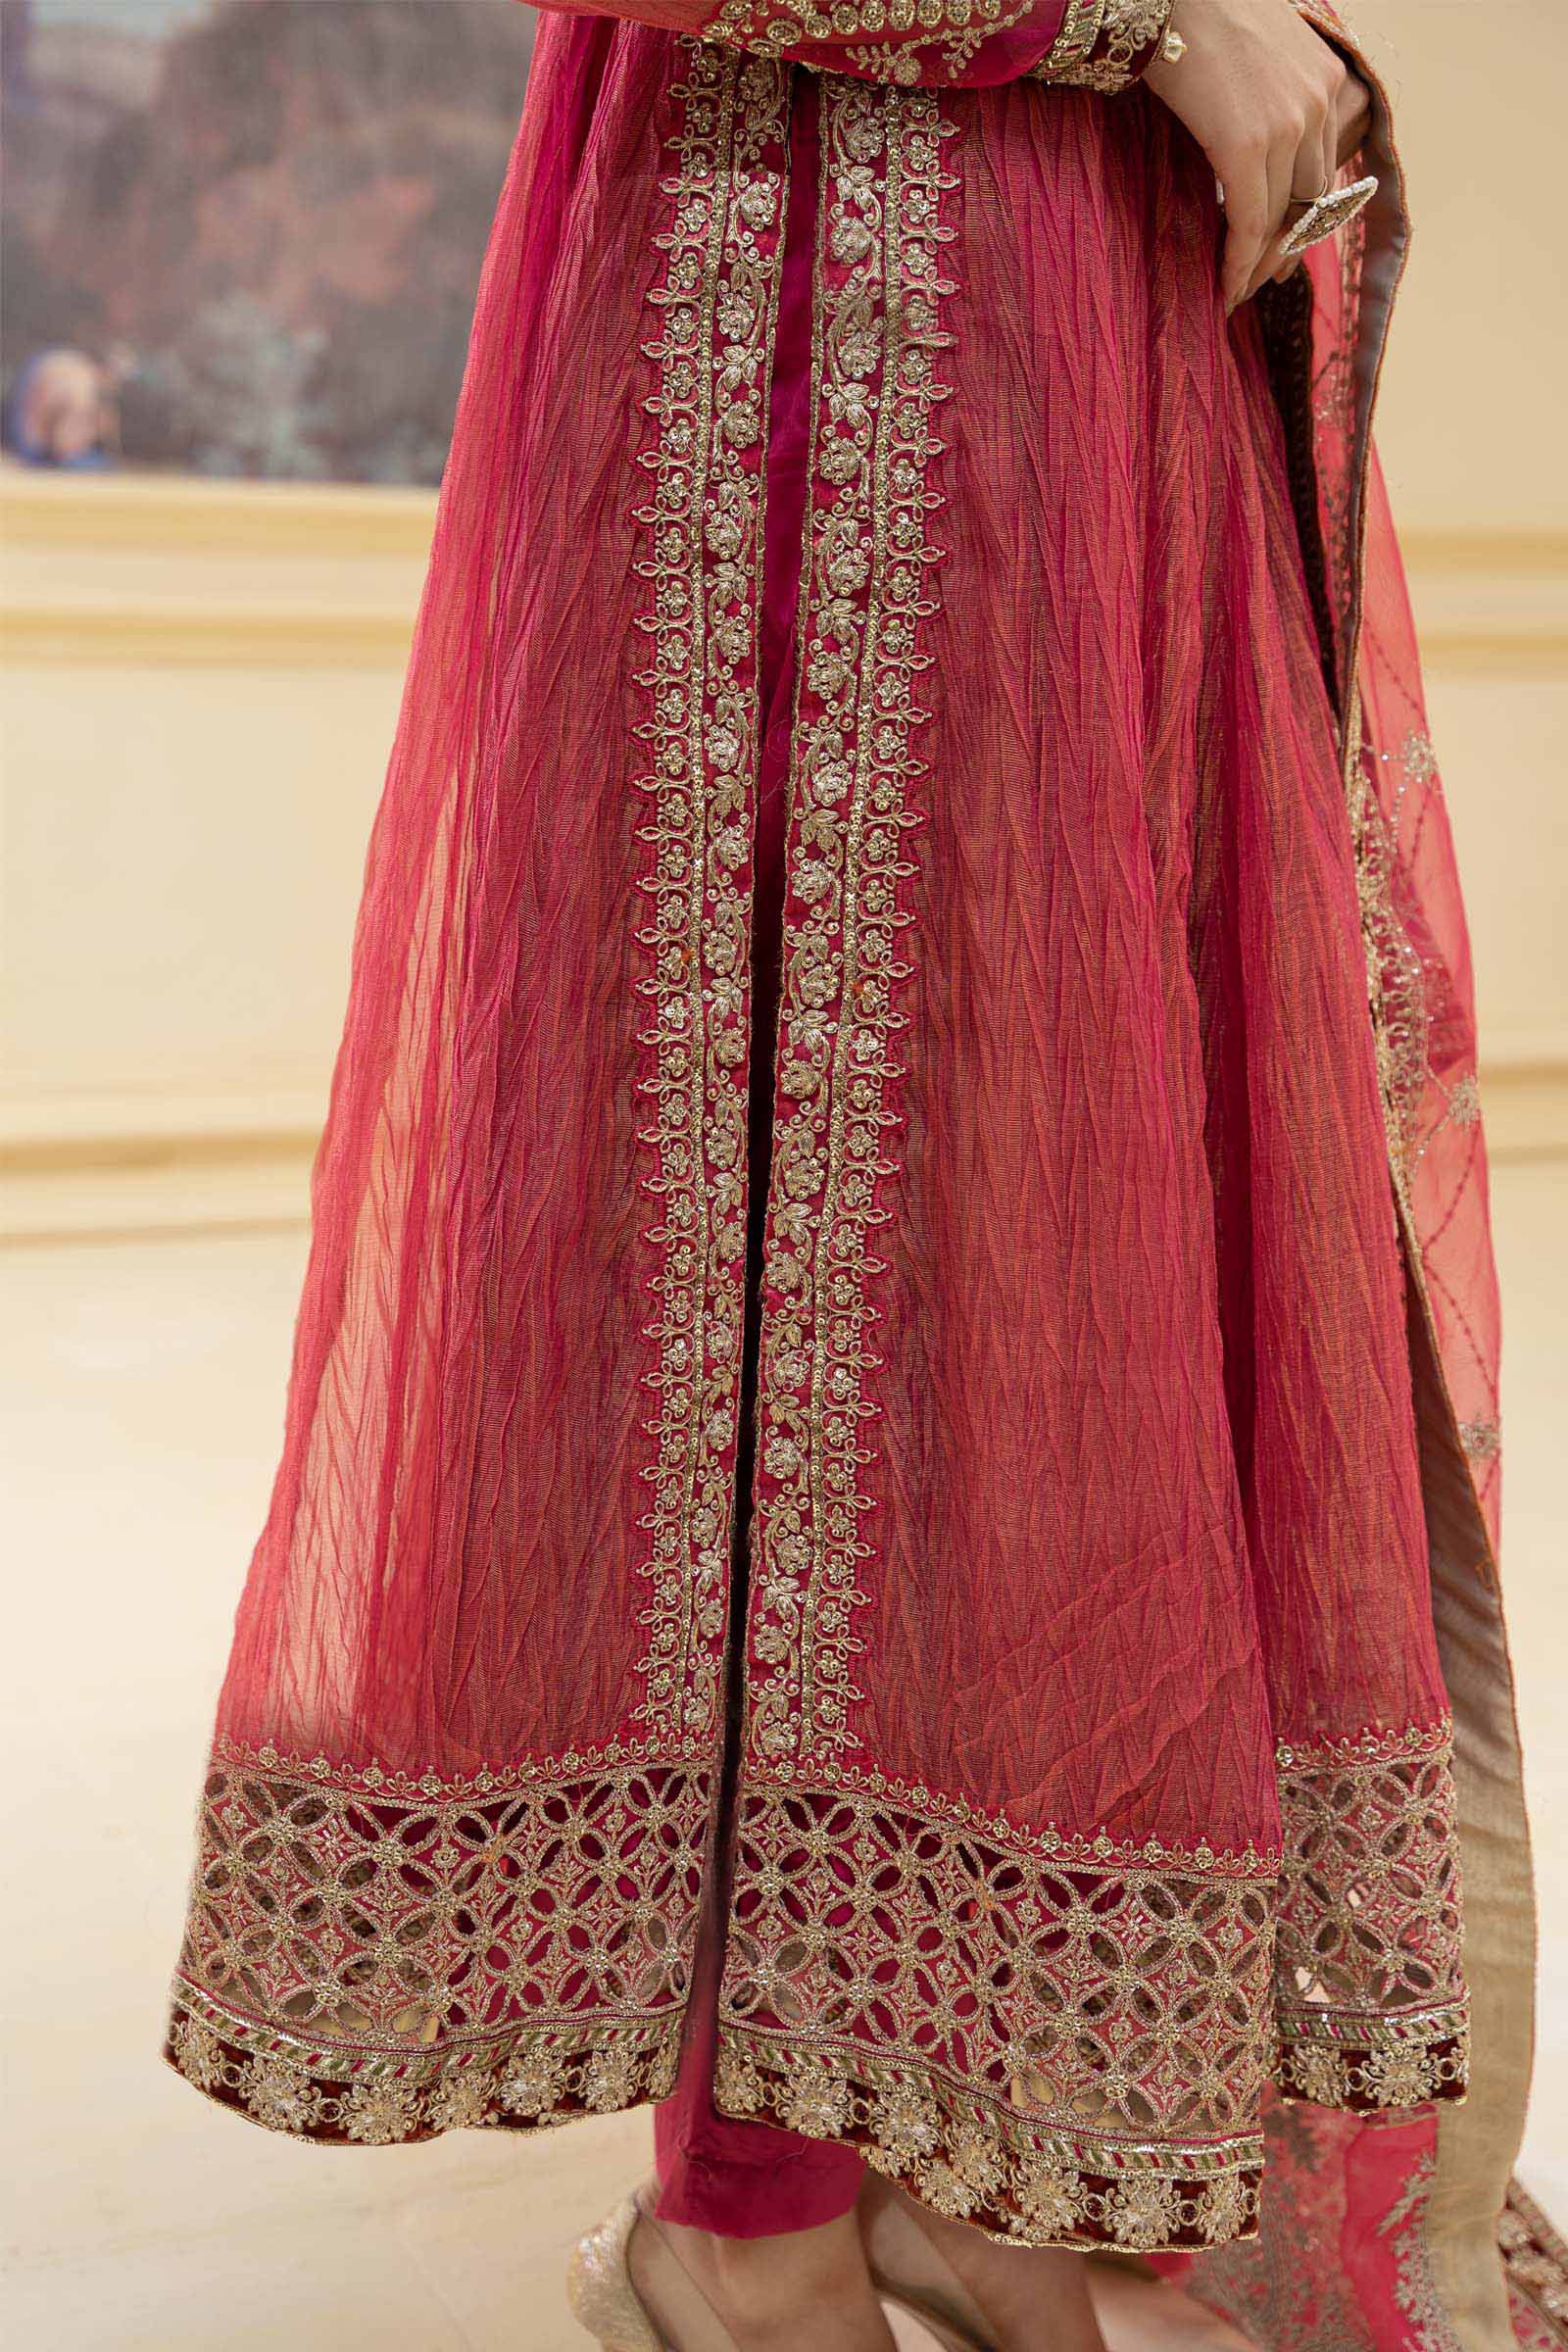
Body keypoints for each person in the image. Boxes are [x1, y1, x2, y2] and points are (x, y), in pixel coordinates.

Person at [166, 2, 1553, 2345]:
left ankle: (927, 2130)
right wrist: (1142, 20)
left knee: (1032, 1275)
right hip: (783, 311)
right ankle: (739, 2216)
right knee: (773, 1252)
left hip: (1085, 338)